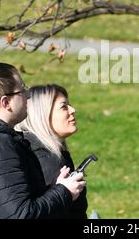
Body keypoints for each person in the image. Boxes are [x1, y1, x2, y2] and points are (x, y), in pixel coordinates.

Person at [0, 63, 86, 219]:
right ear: (5, 103)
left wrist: (54, 188)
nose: (28, 95)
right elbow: (20, 215)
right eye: (22, 90)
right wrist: (64, 192)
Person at [16, 84, 88, 219]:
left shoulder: (44, 152)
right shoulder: (46, 160)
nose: (73, 110)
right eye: (64, 106)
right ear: (42, 115)